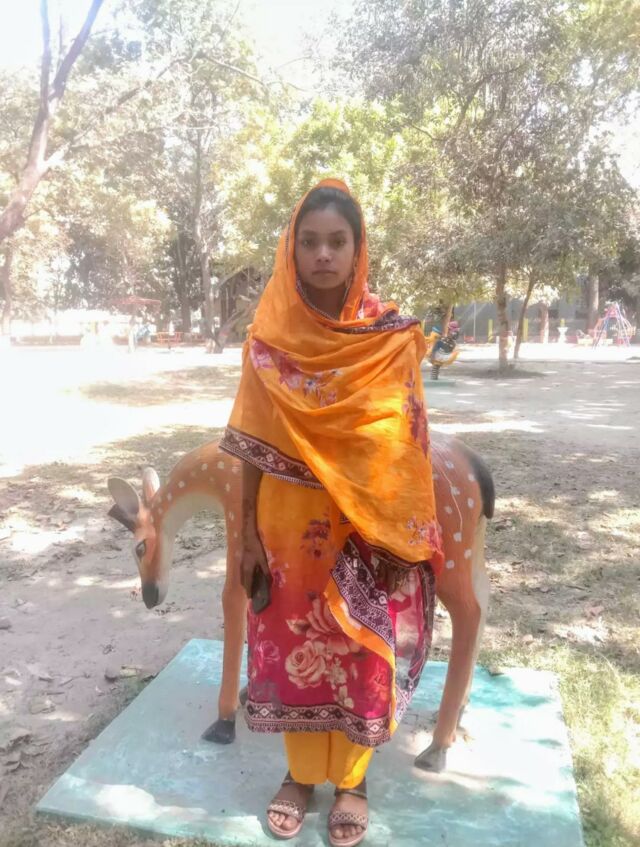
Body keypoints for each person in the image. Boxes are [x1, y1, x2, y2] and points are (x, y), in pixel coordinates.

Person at [220, 179, 444, 846]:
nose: (323, 254)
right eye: (310, 241)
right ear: (292, 249)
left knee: (357, 650)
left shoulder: (388, 337)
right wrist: (246, 534)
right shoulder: (269, 337)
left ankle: (351, 781)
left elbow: (409, 441)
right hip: (287, 526)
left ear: (356, 249)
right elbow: (250, 446)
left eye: (336, 242)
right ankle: (299, 775)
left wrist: (400, 535)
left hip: (366, 526)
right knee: (293, 644)